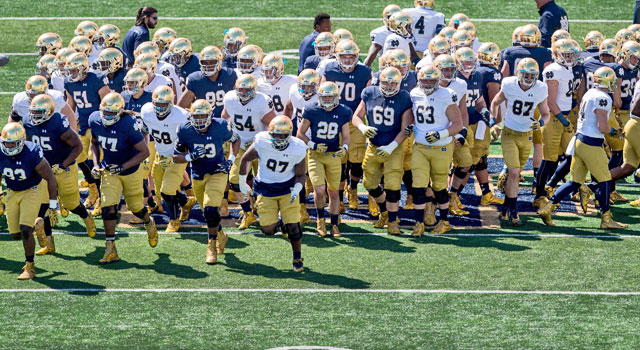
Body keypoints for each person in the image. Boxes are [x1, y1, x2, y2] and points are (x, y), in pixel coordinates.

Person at [538, 67, 627, 229]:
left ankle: (548, 207)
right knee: (605, 179)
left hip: (579, 141)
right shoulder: (603, 98)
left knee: (575, 181)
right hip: (591, 144)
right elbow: (602, 126)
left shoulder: (590, 93)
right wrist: (614, 131)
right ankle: (606, 218)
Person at [89, 92, 158, 264]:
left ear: (120, 112)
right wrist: (96, 164)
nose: (106, 116)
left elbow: (144, 152)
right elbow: (94, 143)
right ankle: (111, 248)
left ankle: (148, 221)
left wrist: (122, 167)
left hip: (130, 171)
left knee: (136, 208)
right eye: (104, 112)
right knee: (108, 207)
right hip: (109, 170)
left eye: (111, 113)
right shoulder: (95, 119)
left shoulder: (128, 124)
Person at [24, 95, 96, 255]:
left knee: (71, 204)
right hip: (42, 169)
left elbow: (78, 147)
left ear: (49, 112)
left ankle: (86, 216)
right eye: (33, 112)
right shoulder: (27, 122)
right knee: (45, 208)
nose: (34, 116)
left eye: (39, 113)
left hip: (63, 168)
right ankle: (49, 244)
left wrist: (63, 164)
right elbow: (28, 144)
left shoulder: (58, 123)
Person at [238, 116, 308, 272]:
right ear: (270, 133)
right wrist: (242, 182)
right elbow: (245, 159)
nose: (279, 138)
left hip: (287, 189)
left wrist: (297, 189)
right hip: (265, 188)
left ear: (290, 133)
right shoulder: (262, 142)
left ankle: (297, 257)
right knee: (268, 230)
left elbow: (301, 174)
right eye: (275, 134)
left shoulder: (298, 147)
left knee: (294, 227)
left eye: (282, 135)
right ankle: (280, 224)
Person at [490, 58, 550, 226]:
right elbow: (495, 102)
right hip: (509, 134)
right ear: (519, 73)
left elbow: (546, 113)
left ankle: (505, 207)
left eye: (532, 75)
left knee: (513, 176)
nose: (530, 78)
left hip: (527, 136)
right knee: (515, 173)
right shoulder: (509, 84)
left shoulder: (540, 88)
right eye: (526, 74)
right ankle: (514, 212)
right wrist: (494, 121)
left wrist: (541, 123)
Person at [353, 67, 412, 234]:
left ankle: (393, 222)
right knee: (369, 183)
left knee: (393, 184)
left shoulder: (404, 97)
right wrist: (363, 127)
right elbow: (356, 116)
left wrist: (392, 146)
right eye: (386, 82)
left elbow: (406, 127)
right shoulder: (369, 93)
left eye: (393, 83)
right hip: (373, 146)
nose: (389, 86)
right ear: (380, 81)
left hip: (394, 147)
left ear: (399, 83)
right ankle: (385, 212)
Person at [174, 100, 234, 264]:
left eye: (203, 116)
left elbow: (235, 139)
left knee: (210, 209)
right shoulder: (185, 129)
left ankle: (211, 246)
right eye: (196, 116)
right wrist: (189, 157)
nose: (200, 120)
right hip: (198, 175)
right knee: (209, 214)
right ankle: (221, 235)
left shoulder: (221, 125)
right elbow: (175, 157)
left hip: (217, 172)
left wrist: (231, 160)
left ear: (210, 115)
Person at [0, 122, 59, 280]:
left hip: (32, 190)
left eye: (13, 143)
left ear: (21, 141)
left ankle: (30, 267)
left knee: (25, 230)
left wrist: (53, 205)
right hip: (12, 192)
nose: (9, 146)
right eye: (6, 143)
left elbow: (50, 177)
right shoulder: (0, 152)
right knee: (16, 235)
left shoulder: (31, 152)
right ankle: (37, 227)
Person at [409, 64, 462, 236]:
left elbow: (458, 124)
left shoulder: (446, 95)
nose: (428, 83)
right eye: (425, 80)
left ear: (438, 80)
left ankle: (444, 221)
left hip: (441, 148)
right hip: (420, 147)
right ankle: (419, 223)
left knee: (439, 187)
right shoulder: (414, 93)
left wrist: (441, 134)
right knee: (418, 186)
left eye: (432, 80)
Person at [297, 81, 351, 237]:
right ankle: (321, 219)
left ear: (336, 97)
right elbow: (300, 134)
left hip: (334, 155)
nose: (326, 100)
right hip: (316, 155)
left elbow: (346, 136)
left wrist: (345, 148)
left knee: (334, 192)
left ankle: (334, 223)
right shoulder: (311, 109)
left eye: (329, 97)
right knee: (319, 190)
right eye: (324, 97)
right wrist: (313, 145)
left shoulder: (343, 111)